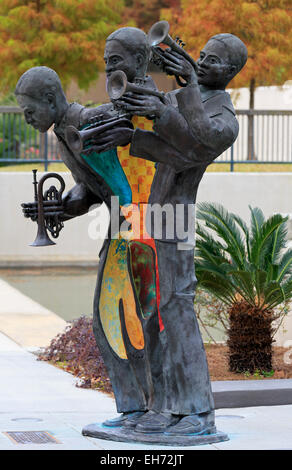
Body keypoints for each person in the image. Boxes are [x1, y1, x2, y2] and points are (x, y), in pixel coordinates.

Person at [93, 33, 248, 434]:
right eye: (201, 56)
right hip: (155, 214)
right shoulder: (187, 99)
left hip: (176, 217)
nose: (201, 63)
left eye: (212, 61)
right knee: (151, 314)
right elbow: (170, 136)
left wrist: (184, 92)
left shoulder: (225, 118)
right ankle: (160, 407)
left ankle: (197, 413)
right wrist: (136, 119)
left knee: (177, 310)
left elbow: (193, 147)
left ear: (230, 73)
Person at [16, 27, 168, 428]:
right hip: (123, 226)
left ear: (50, 100)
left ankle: (157, 408)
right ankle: (136, 409)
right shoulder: (64, 136)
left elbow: (121, 126)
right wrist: (60, 208)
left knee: (138, 321)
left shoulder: (82, 120)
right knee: (112, 322)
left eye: (30, 110)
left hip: (142, 224)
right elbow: (93, 188)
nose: (27, 118)